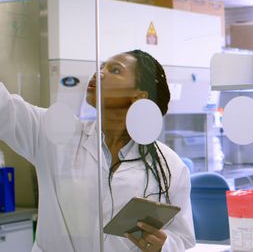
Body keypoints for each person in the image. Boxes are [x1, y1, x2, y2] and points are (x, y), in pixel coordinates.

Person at [0, 50, 195, 251]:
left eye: (115, 70)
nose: (99, 73)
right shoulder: (54, 134)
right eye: (101, 66)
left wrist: (164, 245)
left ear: (138, 96)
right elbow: (4, 108)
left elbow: (183, 239)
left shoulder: (169, 165)